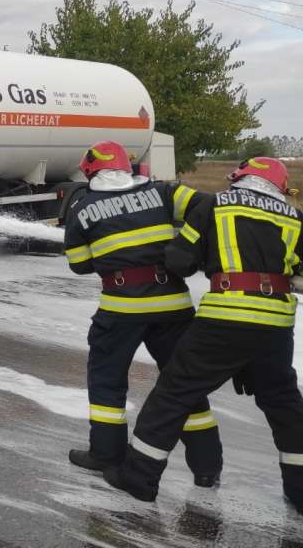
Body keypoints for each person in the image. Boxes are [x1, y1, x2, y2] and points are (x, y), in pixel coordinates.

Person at [103, 156, 303, 516]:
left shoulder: (213, 205)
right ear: (281, 187)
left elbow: (180, 260)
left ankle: (138, 477)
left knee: (174, 393)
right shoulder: (296, 218)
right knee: (285, 406)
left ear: (239, 178)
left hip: (225, 317)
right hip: (276, 326)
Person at [63, 141, 222, 484]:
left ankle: (106, 455)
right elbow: (209, 205)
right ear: (127, 166)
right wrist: (187, 243)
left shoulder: (82, 207)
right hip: (173, 305)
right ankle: (207, 467)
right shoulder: (165, 193)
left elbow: (79, 264)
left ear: (89, 170)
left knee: (107, 380)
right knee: (183, 383)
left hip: (121, 309)